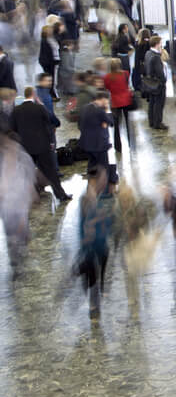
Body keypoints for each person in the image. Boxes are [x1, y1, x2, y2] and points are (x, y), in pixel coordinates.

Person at [11, 87, 71, 201]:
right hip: (42, 146)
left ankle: (29, 197)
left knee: (26, 174)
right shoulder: (40, 108)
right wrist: (51, 142)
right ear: (34, 95)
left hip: (26, 147)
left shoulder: (16, 110)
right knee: (51, 172)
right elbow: (49, 124)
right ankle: (61, 195)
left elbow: (13, 129)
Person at [76, 168, 115, 319]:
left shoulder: (95, 196)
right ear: (94, 180)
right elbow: (88, 224)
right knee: (92, 272)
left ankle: (97, 294)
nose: (105, 182)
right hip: (91, 245)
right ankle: (93, 306)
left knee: (102, 260)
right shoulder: (87, 198)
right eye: (103, 179)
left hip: (98, 243)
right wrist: (102, 217)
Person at [78, 90, 115, 179]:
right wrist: (107, 110)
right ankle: (105, 190)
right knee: (103, 167)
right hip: (99, 144)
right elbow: (111, 122)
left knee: (92, 163)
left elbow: (79, 125)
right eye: (107, 100)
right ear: (103, 99)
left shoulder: (84, 108)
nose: (108, 102)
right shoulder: (100, 111)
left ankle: (92, 183)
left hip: (86, 143)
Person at [102, 58, 132, 152]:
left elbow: (106, 88)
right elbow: (127, 84)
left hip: (115, 102)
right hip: (127, 100)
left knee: (116, 126)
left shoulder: (107, 77)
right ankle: (131, 143)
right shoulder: (126, 74)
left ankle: (118, 146)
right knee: (128, 124)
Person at [144, 35, 167, 130]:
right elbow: (160, 73)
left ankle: (152, 121)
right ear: (157, 44)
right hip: (158, 84)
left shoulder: (148, 53)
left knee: (152, 103)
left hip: (150, 83)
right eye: (161, 43)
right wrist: (164, 81)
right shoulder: (156, 57)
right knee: (159, 104)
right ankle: (158, 122)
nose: (162, 45)